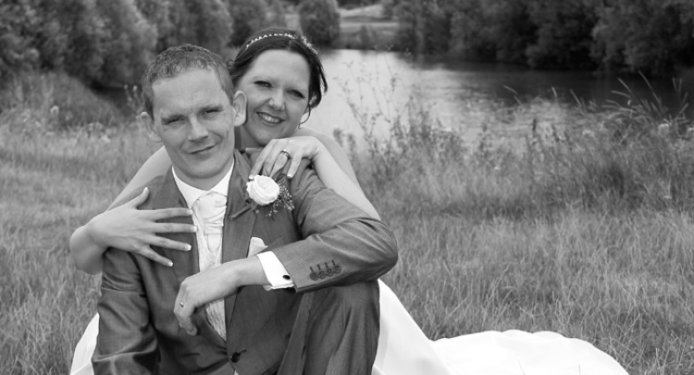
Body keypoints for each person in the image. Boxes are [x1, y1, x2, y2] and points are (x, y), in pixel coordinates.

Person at [71, 29, 630, 375]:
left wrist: (247, 264)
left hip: (310, 296)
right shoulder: (183, 150)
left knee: (353, 287)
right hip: (195, 324)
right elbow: (108, 236)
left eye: (295, 94)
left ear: (306, 106)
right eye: (266, 86)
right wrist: (98, 231)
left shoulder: (305, 157)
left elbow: (370, 235)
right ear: (240, 92)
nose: (276, 103)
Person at [90, 42, 397, 374]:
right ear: (153, 127)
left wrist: (237, 271)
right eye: (176, 120)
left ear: (236, 108)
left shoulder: (285, 177)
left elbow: (374, 242)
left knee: (352, 286)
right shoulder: (134, 225)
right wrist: (92, 232)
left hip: (289, 365)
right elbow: (119, 356)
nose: (197, 133)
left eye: (210, 112)